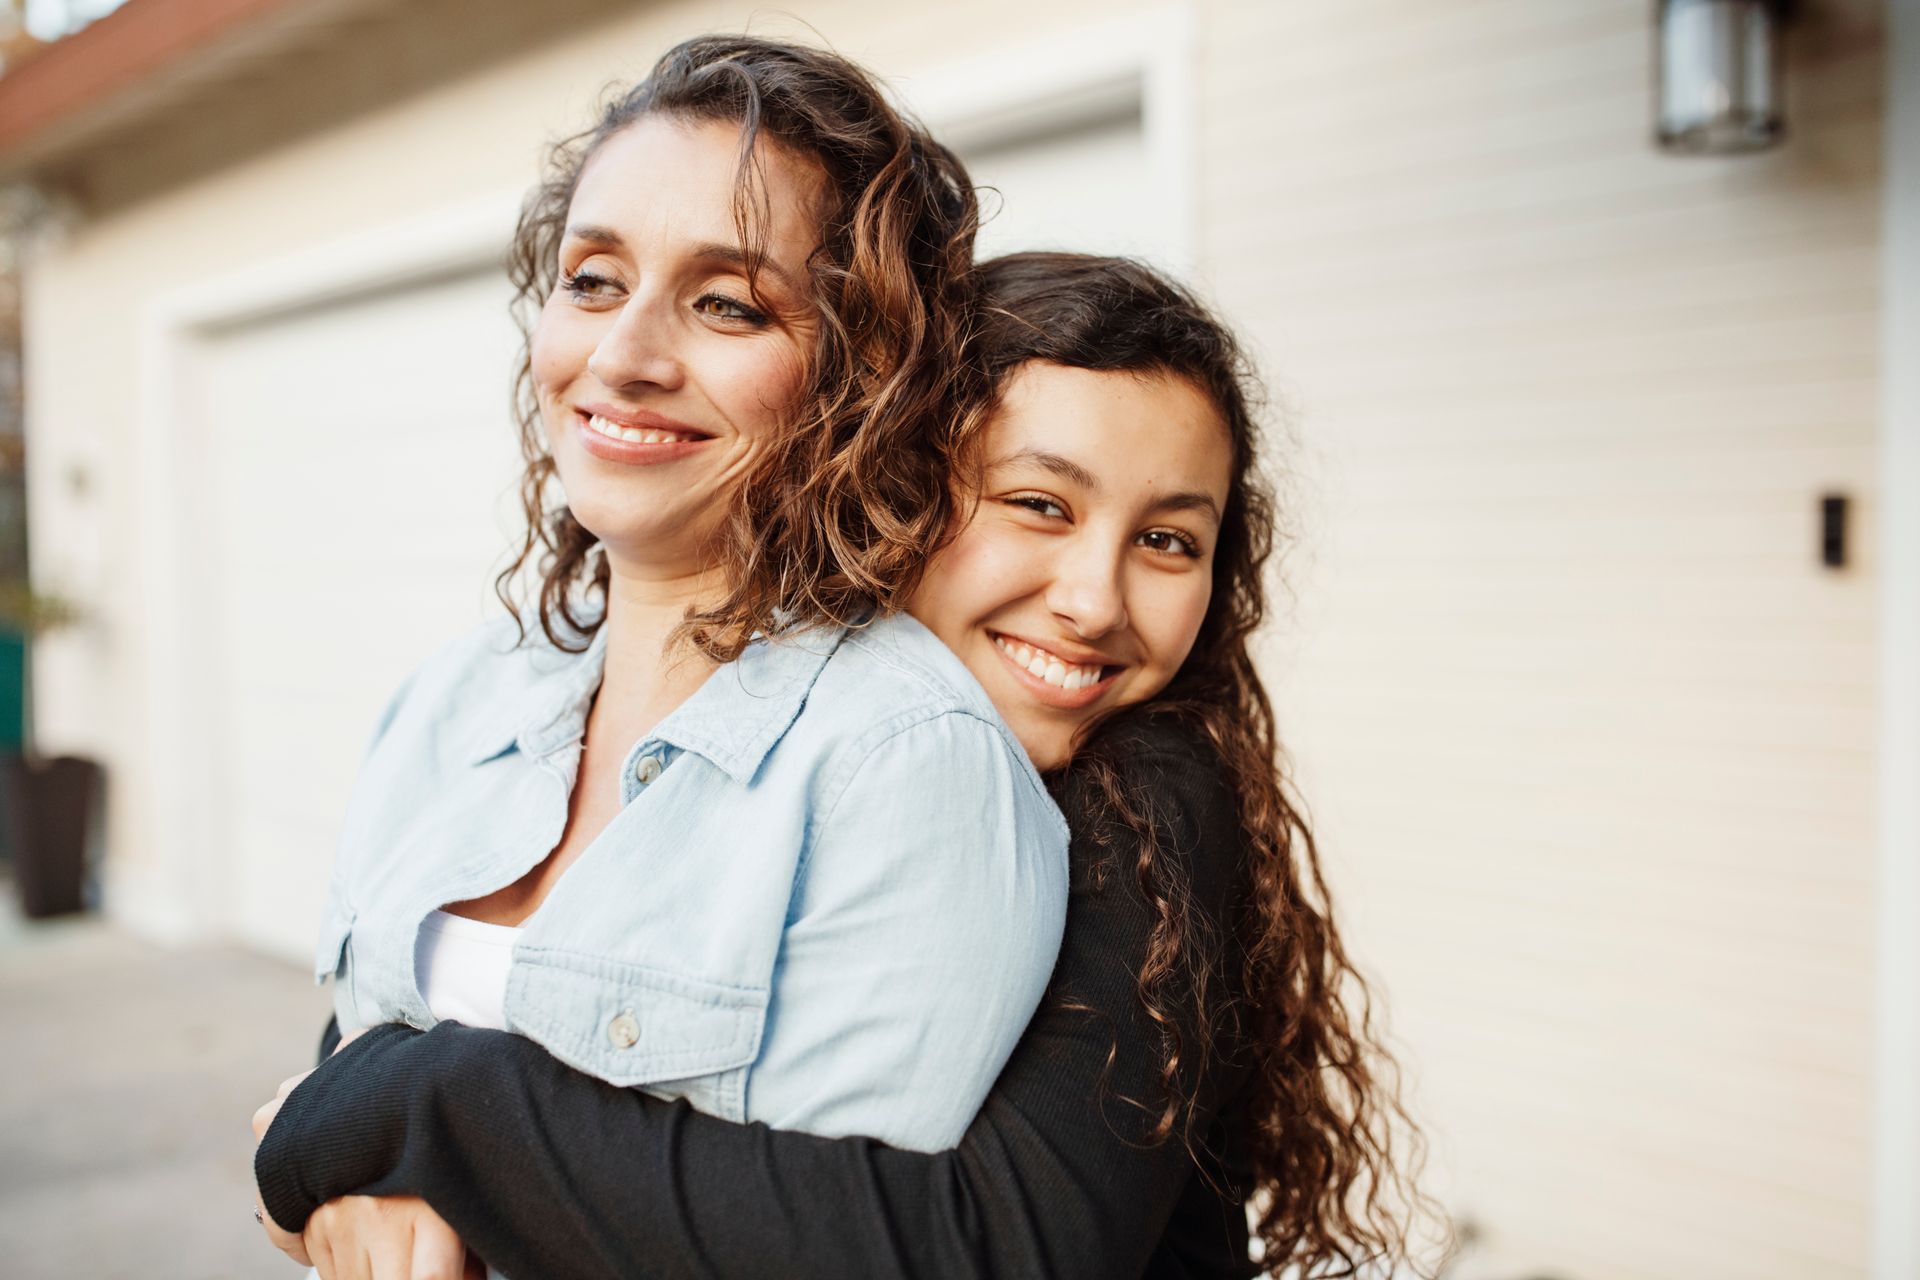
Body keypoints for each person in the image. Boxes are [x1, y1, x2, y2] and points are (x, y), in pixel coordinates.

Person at [255, 254, 1441, 1279]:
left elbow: (1005, 1249)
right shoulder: (768, 735)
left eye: (1169, 540)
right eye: (1037, 503)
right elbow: (450, 992)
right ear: (895, 486)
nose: (1092, 601)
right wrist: (374, 1144)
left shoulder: (1148, 804)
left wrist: (418, 1112)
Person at [249, 33, 1086, 1271]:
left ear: (860, 376)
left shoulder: (906, 764)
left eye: (727, 302)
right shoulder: (459, 695)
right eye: (593, 280)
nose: (626, 357)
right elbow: (320, 1115)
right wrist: (317, 1186)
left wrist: (361, 1160)